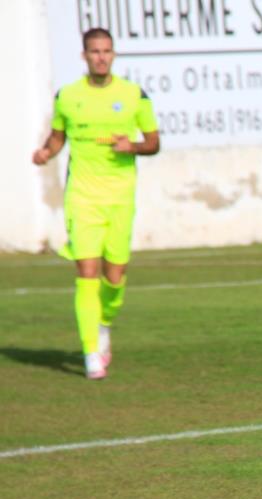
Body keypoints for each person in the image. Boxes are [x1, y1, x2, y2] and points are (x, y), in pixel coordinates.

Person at [32, 28, 160, 380]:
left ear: (114, 55)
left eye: (106, 51)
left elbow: (153, 142)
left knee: (114, 277)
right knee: (87, 272)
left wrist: (131, 146)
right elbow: (58, 137)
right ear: (84, 56)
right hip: (82, 197)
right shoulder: (67, 96)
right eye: (94, 51)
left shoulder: (134, 95)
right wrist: (46, 152)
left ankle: (104, 322)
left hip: (119, 197)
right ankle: (90, 352)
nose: (101, 57)